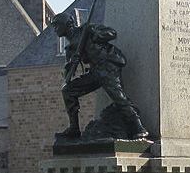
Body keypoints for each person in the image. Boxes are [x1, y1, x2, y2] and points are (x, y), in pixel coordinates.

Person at [52, 12, 148, 140]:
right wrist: (72, 63)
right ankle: (74, 129)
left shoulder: (87, 29)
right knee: (68, 91)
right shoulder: (70, 48)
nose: (55, 29)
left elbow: (112, 33)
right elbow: (68, 72)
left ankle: (138, 127)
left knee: (119, 97)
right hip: (95, 72)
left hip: (107, 67)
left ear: (67, 24)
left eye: (57, 25)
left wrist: (95, 36)